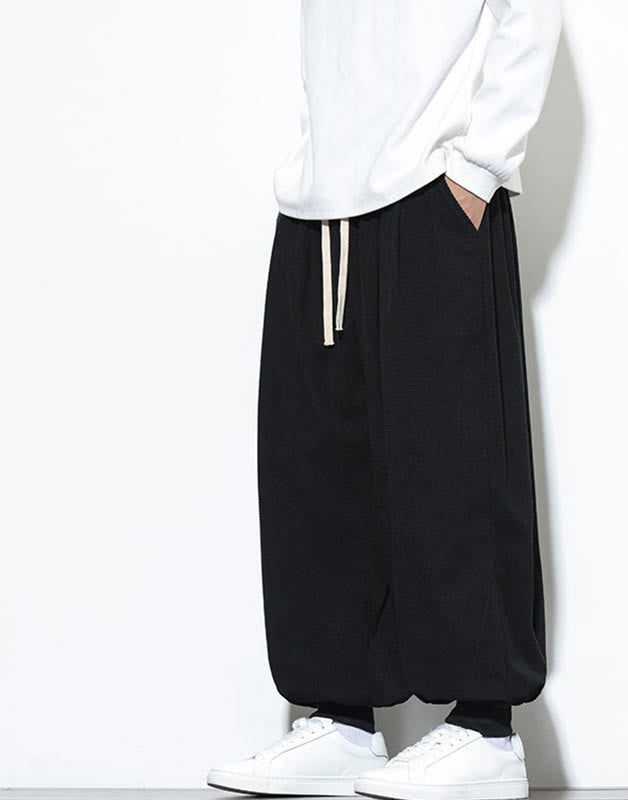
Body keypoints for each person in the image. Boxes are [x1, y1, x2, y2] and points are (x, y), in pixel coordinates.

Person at [207, 0, 561, 797]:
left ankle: (486, 730)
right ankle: (342, 720)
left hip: (433, 190)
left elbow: (532, 11)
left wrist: (477, 168)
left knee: (455, 460)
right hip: (320, 202)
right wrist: (315, 155)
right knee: (315, 467)